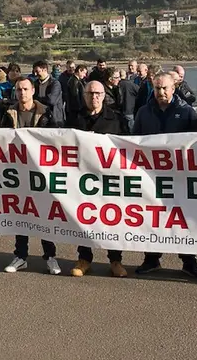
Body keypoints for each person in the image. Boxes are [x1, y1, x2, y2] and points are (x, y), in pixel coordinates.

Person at [133, 72, 197, 276]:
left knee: (181, 219)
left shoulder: (187, 112)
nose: (161, 92)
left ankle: (189, 261)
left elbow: (196, 144)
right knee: (153, 218)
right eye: (157, 88)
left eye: (165, 88)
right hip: (151, 176)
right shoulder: (144, 112)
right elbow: (134, 142)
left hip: (180, 177)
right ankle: (152, 258)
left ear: (173, 88)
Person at [0, 77, 60, 275]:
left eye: (25, 89)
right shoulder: (8, 113)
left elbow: (55, 138)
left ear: (33, 90)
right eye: (18, 89)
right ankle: (21, 256)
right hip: (17, 172)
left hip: (40, 172)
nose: (21, 93)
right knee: (21, 213)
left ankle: (50, 256)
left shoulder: (45, 113)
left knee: (44, 214)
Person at [71, 80, 128, 278]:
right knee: (84, 219)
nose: (94, 97)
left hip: (109, 179)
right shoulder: (74, 118)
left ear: (104, 95)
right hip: (83, 180)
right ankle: (84, 259)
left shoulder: (116, 119)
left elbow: (129, 148)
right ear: (84, 95)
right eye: (90, 93)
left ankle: (115, 260)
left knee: (111, 220)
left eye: (97, 93)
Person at [31, 60, 65, 126]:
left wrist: (36, 100)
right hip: (39, 118)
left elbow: (51, 101)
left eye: (37, 71)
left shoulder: (55, 84)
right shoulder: (35, 83)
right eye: (34, 72)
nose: (35, 74)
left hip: (54, 119)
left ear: (45, 70)